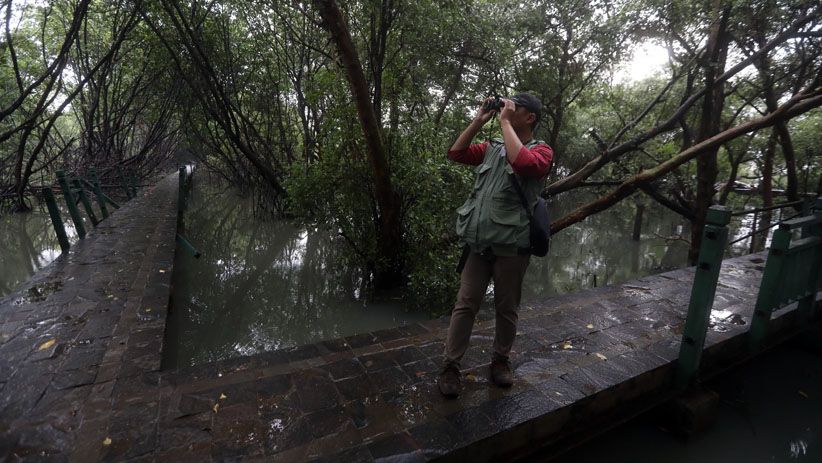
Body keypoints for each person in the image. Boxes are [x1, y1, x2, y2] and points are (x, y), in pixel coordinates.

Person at [437, 93, 553, 398]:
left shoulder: (541, 150)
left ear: (530, 117)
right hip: (478, 244)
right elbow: (456, 153)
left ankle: (500, 361)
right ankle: (451, 366)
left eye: (514, 107)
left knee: (506, 308)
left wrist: (503, 122)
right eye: (505, 105)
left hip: (512, 247)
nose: (506, 109)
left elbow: (524, 163)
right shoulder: (491, 148)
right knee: (465, 304)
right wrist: (479, 120)